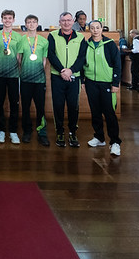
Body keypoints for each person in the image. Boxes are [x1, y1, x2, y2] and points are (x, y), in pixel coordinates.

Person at [82, 20, 122, 156]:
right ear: (89, 30)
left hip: (107, 83)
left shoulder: (109, 44)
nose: (95, 30)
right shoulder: (86, 44)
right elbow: (82, 62)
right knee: (95, 111)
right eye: (92, 28)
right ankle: (99, 137)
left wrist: (115, 83)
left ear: (101, 29)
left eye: (97, 27)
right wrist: (83, 80)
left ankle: (115, 142)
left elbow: (117, 64)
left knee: (109, 113)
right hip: (91, 83)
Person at [47, 11, 85, 148]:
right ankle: (60, 132)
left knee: (73, 106)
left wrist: (71, 70)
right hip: (58, 76)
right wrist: (62, 70)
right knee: (58, 105)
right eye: (63, 20)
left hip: (74, 76)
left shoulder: (80, 37)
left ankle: (73, 133)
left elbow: (82, 57)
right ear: (59, 22)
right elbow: (51, 54)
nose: (66, 23)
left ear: (72, 21)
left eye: (69, 20)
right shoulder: (52, 36)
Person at [0, 9, 24, 144]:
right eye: (5, 18)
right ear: (1, 19)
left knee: (14, 104)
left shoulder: (19, 37)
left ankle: (13, 131)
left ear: (14, 20)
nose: (7, 20)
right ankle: (1, 130)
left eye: (10, 18)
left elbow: (19, 57)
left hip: (14, 76)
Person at [19, 14, 48, 145]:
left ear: (37, 24)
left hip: (39, 80)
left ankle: (42, 132)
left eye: (34, 22)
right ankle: (27, 131)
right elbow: (19, 59)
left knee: (40, 107)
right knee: (25, 107)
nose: (31, 24)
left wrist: (37, 72)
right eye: (29, 22)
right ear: (25, 25)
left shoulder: (43, 41)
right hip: (25, 79)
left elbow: (44, 60)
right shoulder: (21, 40)